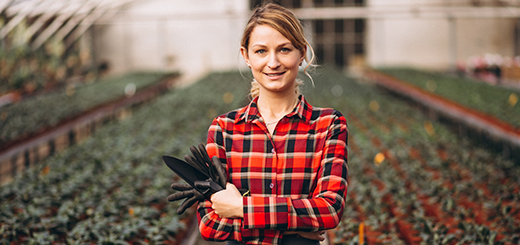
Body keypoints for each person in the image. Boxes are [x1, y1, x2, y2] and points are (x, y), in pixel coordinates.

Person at [199, 3, 349, 245]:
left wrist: (241, 207)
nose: (273, 62)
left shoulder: (328, 125)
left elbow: (329, 209)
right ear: (246, 56)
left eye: (284, 49)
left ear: (301, 53)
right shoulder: (224, 129)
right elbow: (209, 223)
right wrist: (293, 232)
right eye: (260, 51)